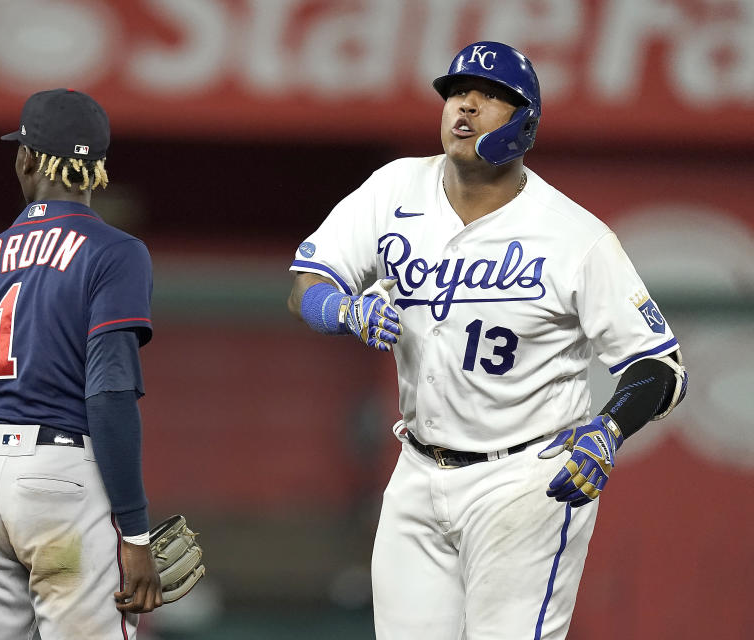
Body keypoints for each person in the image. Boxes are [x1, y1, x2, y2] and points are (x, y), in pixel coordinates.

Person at [287, 42, 687, 639]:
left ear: (524, 120)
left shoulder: (574, 236)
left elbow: (660, 365)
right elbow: (306, 283)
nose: (464, 105)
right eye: (454, 92)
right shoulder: (396, 186)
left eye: (489, 95)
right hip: (418, 467)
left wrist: (609, 428)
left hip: (525, 476)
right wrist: (340, 308)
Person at [0, 88, 162, 640]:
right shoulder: (114, 251)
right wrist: (134, 534)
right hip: (55, 489)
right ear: (97, 171)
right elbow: (109, 390)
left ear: (26, 158)